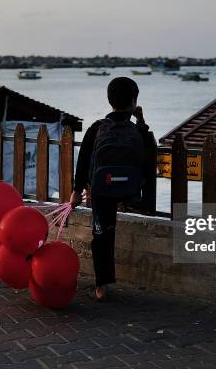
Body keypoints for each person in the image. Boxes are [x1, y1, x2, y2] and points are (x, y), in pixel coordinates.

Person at [70, 77, 151, 302]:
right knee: (119, 209)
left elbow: (84, 159)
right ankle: (132, 199)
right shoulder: (136, 130)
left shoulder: (97, 128)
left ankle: (101, 286)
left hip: (102, 191)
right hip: (131, 191)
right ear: (134, 101)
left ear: (109, 100)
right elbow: (148, 150)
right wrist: (141, 118)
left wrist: (77, 190)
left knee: (101, 234)